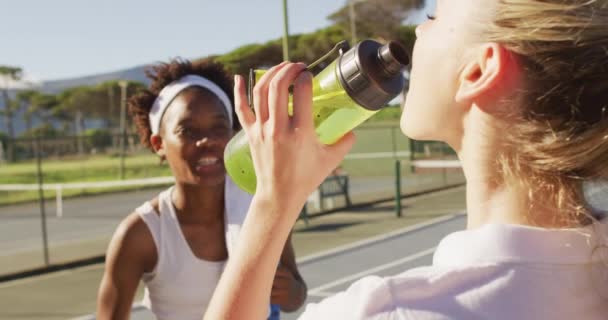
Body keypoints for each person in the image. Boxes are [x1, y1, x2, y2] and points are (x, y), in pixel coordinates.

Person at [203, 0, 608, 319]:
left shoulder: (390, 312)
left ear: (478, 71)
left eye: (435, 15)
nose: (418, 28)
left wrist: (274, 204)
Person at [96, 59, 307, 320]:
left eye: (219, 128)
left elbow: (297, 296)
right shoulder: (140, 235)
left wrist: (289, 291)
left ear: (233, 134)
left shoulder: (261, 207)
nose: (207, 141)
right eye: (188, 130)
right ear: (159, 143)